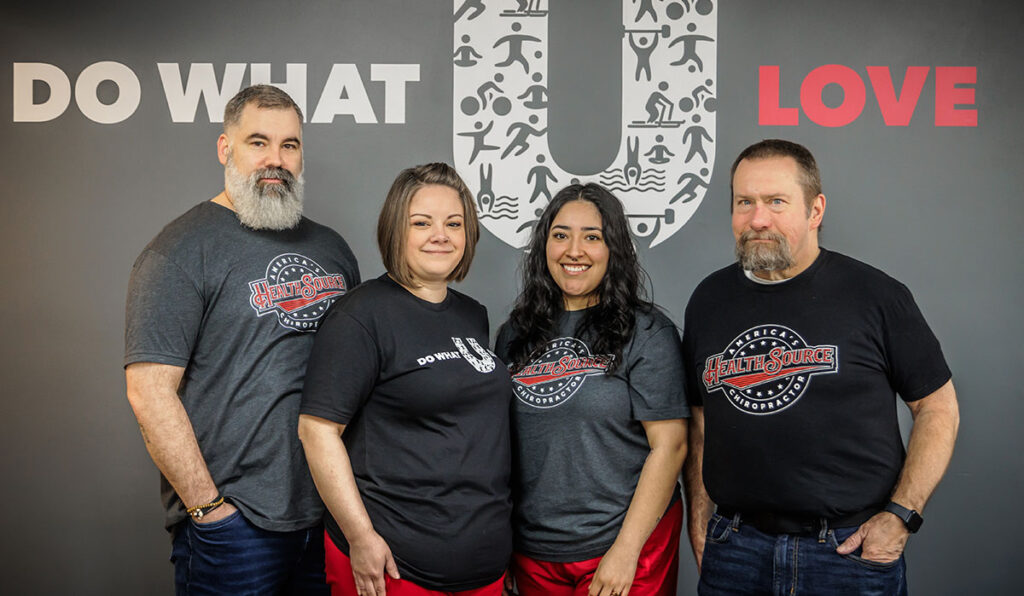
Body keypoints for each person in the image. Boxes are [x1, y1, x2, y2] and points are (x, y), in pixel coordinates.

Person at [681, 139, 960, 595]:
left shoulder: (876, 296)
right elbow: (700, 420)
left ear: (815, 210)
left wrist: (902, 515)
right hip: (736, 548)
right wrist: (699, 522)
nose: (758, 219)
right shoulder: (708, 300)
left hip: (846, 551)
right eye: (744, 202)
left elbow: (938, 408)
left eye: (776, 201)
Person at [124, 84, 360, 593]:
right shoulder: (180, 250)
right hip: (237, 529)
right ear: (225, 148)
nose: (275, 159)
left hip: (329, 518)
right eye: (258, 142)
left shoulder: (332, 249)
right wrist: (209, 509)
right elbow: (149, 391)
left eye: (289, 145)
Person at [298, 163, 513, 596]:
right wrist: (361, 537)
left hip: (483, 566)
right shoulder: (360, 316)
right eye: (422, 223)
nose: (441, 235)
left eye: (454, 223)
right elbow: (317, 431)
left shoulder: (473, 314)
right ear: (396, 230)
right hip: (396, 568)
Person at [496, 183, 689, 596]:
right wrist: (505, 545)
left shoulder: (647, 332)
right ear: (543, 245)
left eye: (592, 237)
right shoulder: (514, 334)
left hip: (622, 548)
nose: (574, 250)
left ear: (614, 249)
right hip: (535, 550)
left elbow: (670, 447)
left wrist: (626, 550)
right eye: (561, 234)